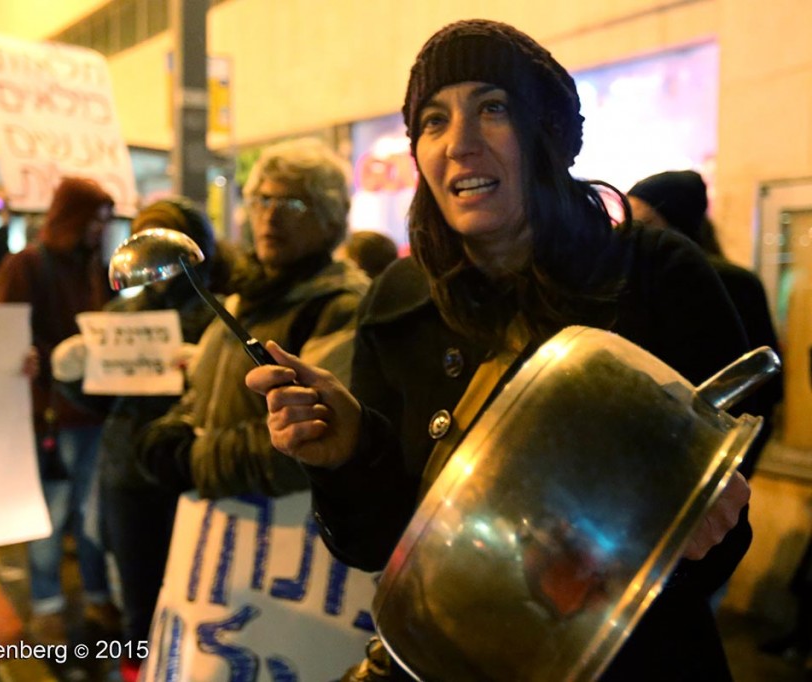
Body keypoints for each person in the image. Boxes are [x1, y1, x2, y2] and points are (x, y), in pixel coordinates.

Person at [246, 20, 753, 681]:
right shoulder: (398, 300)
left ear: (544, 131)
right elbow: (383, 546)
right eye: (433, 120)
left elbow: (722, 529)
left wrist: (689, 538)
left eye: (492, 108)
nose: (459, 144)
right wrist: (344, 454)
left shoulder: (656, 277)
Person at [126, 138, 372, 676]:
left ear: (331, 221)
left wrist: (194, 460)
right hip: (217, 554)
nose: (269, 216)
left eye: (292, 204)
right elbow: (201, 402)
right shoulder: (240, 299)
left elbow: (304, 439)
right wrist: (169, 433)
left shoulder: (343, 309)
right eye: (260, 200)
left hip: (289, 564)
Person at [50, 197, 220, 682]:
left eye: (164, 240)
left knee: (200, 591)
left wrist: (205, 372)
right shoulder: (121, 312)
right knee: (139, 595)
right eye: (141, 241)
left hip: (195, 471)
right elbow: (104, 404)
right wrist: (73, 377)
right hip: (128, 473)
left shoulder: (220, 314)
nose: (153, 258)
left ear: (195, 248)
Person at [0, 176, 120, 646]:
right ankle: (47, 605)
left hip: (94, 411)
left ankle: (95, 595)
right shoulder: (27, 265)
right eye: (93, 220)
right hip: (48, 415)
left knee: (92, 513)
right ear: (71, 218)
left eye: (105, 222)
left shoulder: (97, 269)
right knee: (50, 513)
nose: (99, 230)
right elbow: (6, 335)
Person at [627, 169, 784, 478]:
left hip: (713, 456)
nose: (632, 238)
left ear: (674, 227)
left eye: (644, 226)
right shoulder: (634, 283)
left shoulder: (734, 284)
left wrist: (737, 463)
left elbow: (763, 386)